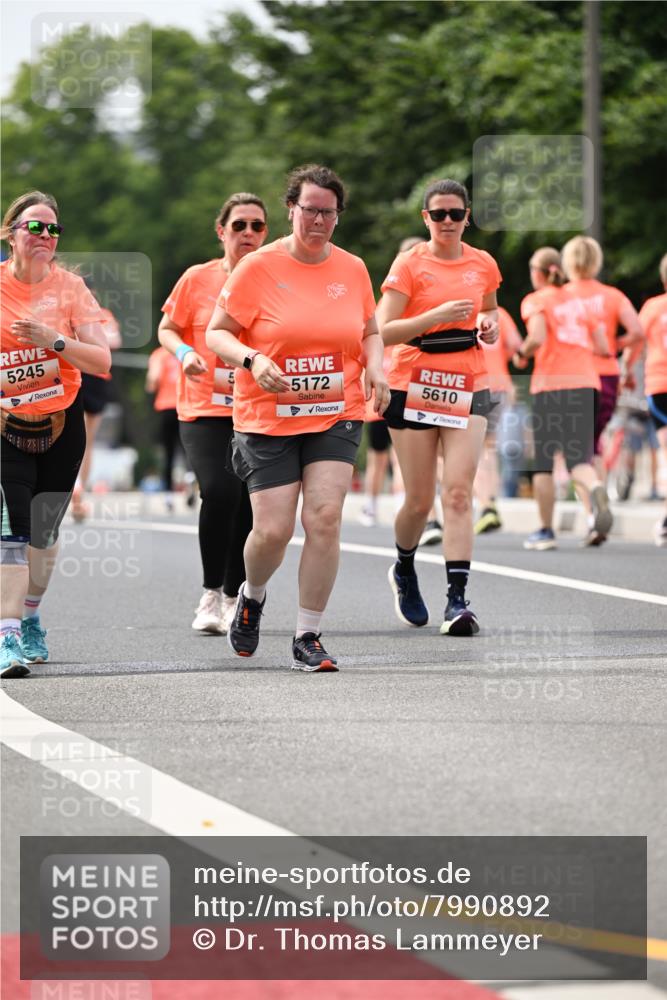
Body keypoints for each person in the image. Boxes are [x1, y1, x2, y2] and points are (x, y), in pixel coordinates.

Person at [206, 164, 389, 671]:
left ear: (338, 217)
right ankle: (252, 594)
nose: (318, 220)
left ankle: (308, 634)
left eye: (328, 213)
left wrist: (377, 367)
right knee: (273, 531)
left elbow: (370, 330)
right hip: (268, 416)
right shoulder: (258, 267)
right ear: (292, 209)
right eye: (309, 210)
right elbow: (217, 333)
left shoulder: (352, 269)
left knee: (325, 518)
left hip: (336, 410)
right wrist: (253, 360)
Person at [377, 178, 501, 637]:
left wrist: (489, 327)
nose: (446, 222)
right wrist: (434, 318)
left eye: (455, 213)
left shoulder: (483, 263)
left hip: (468, 382)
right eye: (437, 214)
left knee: (458, 493)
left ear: (467, 216)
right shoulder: (409, 264)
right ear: (425, 219)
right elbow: (381, 331)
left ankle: (457, 600)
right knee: (418, 498)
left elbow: (490, 310)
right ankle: (404, 567)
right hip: (413, 382)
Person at [0, 191, 111, 678]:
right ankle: (5, 638)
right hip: (4, 427)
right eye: (35, 227)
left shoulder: (71, 289)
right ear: (11, 232)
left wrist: (53, 341)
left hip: (61, 424)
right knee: (11, 531)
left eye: (53, 229)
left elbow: (102, 360)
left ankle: (29, 615)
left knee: (44, 536)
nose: (45, 236)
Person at [158, 193, 268, 634]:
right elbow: (166, 328)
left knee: (247, 503)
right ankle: (209, 593)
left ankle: (232, 595)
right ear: (221, 231)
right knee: (220, 491)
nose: (248, 233)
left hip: (257, 408)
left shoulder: (275, 279)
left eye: (257, 226)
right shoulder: (196, 278)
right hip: (203, 406)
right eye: (238, 225)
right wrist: (185, 352)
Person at [514, 247, 613, 550]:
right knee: (578, 458)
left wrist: (521, 355)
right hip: (587, 384)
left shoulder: (536, 300)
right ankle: (595, 487)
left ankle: (545, 531)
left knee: (543, 462)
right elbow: (603, 347)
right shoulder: (581, 304)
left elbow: (538, 337)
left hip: (552, 386)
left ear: (539, 273)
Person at [560, 235, 643, 491]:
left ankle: (592, 508)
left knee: (577, 449)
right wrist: (622, 358)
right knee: (594, 443)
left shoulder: (559, 297)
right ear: (596, 262)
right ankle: (599, 498)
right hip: (607, 374)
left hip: (573, 377)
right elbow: (638, 333)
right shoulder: (612, 296)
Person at [473, 304, 523, 533]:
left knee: (471, 449)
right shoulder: (500, 314)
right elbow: (517, 347)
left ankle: (485, 505)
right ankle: (491, 500)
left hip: (473, 385)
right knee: (489, 448)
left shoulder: (463, 310)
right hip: (500, 386)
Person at [70, 305, 122, 521]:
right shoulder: (102, 315)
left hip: (86, 374)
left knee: (79, 437)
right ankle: (78, 488)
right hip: (87, 374)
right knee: (86, 440)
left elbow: (115, 341)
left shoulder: (71, 311)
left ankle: (76, 487)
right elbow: (114, 341)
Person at [637, 253, 667, 545]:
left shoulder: (653, 307)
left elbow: (636, 339)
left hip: (660, 383)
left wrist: (626, 371)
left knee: (666, 450)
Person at [145, 344, 186, 510]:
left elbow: (153, 381)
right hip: (185, 405)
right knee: (187, 450)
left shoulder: (159, 354)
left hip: (166, 407)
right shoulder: (188, 351)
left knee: (168, 452)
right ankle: (190, 477)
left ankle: (169, 495)